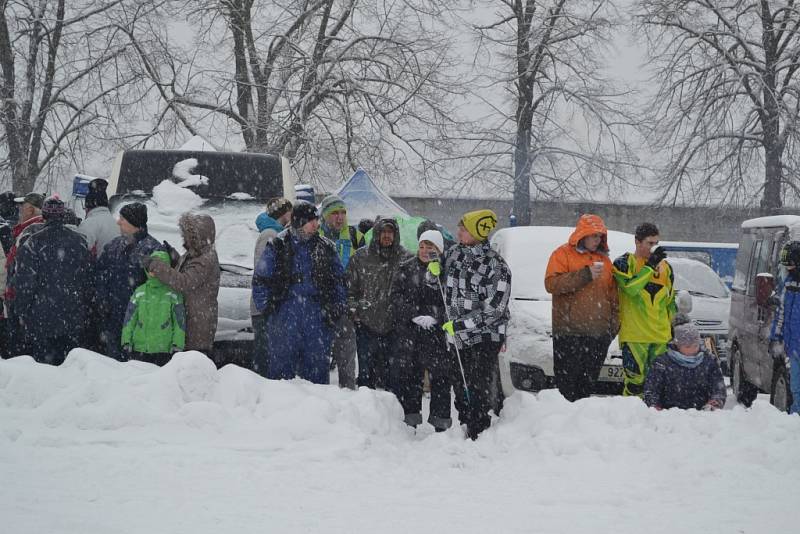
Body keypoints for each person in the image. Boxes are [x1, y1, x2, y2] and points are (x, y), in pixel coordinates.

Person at [252, 201, 346, 384]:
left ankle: (317, 410)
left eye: (316, 220)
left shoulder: (325, 247)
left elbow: (339, 281)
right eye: (311, 221)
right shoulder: (278, 245)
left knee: (316, 374)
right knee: (281, 376)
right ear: (299, 222)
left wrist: (336, 308)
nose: (315, 225)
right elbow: (260, 279)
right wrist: (268, 309)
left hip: (317, 316)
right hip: (284, 315)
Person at [442, 209, 511, 440]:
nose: (458, 231)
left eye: (463, 228)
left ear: (476, 232)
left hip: (485, 335)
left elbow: (494, 311)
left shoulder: (497, 266)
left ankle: (479, 430)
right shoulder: (453, 254)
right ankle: (464, 424)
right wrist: (433, 275)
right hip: (457, 335)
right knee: (460, 383)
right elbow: (440, 286)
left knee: (478, 383)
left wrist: (461, 325)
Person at [544, 214, 619, 401]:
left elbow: (614, 297)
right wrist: (585, 275)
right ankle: (563, 424)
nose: (598, 240)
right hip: (569, 333)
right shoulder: (562, 254)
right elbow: (551, 284)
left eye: (601, 236)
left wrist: (612, 329)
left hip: (598, 335)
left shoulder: (606, 262)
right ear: (583, 234)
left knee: (587, 387)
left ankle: (581, 425)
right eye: (594, 236)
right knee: (566, 386)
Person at [13, 197, 90, 365]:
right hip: (71, 316)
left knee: (42, 370)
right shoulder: (80, 243)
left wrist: (21, 311)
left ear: (44, 216)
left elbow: (25, 283)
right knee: (68, 367)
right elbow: (87, 281)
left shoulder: (33, 243)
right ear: (63, 216)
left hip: (41, 318)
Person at [390, 230, 453, 431]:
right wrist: (413, 314)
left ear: (440, 250)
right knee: (410, 377)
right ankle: (410, 420)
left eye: (431, 247)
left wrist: (437, 317)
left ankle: (440, 422)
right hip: (411, 333)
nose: (425, 251)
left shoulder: (446, 271)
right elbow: (395, 298)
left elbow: (452, 301)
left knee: (441, 379)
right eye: (422, 246)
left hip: (437, 335)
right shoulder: (406, 268)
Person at [612, 222, 676, 397]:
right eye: (650, 243)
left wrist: (673, 326)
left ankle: (655, 419)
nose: (653, 248)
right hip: (635, 336)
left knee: (658, 383)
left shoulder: (667, 268)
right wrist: (649, 267)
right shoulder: (624, 262)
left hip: (660, 336)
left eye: (656, 243)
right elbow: (631, 289)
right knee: (635, 383)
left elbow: (670, 301)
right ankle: (632, 418)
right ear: (637, 242)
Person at [145, 213, 221, 359]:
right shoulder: (197, 254)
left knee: (193, 366)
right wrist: (175, 258)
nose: (183, 238)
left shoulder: (205, 259)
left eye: (187, 235)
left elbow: (184, 282)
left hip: (198, 324)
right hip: (193, 318)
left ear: (197, 237)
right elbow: (188, 271)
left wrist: (155, 265)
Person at [348, 217, 409, 389]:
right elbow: (349, 289)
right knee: (366, 376)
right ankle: (366, 413)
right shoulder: (360, 257)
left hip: (395, 326)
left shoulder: (405, 258)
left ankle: (392, 413)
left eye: (390, 232)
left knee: (394, 376)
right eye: (383, 232)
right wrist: (355, 311)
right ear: (376, 233)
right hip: (366, 324)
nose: (387, 236)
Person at [95, 202, 161, 360]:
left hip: (138, 322)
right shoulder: (114, 245)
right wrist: (102, 298)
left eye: (122, 219)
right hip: (112, 318)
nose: (118, 222)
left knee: (132, 368)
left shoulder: (152, 249)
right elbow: (99, 273)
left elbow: (155, 288)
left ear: (134, 223)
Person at [319, 194, 365, 389]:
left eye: (343, 213)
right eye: (334, 213)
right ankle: (317, 396)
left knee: (347, 354)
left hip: (346, 304)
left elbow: (366, 271)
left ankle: (348, 395)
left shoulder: (355, 236)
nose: (339, 217)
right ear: (325, 216)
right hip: (320, 304)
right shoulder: (315, 234)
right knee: (320, 357)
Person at [122, 250, 186, 366]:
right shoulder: (140, 292)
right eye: (151, 268)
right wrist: (126, 340)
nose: (154, 272)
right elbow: (129, 319)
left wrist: (177, 344)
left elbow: (179, 322)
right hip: (140, 347)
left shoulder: (173, 294)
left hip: (163, 349)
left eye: (158, 268)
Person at [251, 197, 292, 376]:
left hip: (269, 307)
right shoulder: (270, 234)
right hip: (265, 309)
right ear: (283, 213)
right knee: (266, 358)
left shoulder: (278, 233)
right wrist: (269, 303)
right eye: (290, 210)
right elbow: (263, 274)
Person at [643, 322, 726, 411]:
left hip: (702, 415)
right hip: (668, 415)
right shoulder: (662, 363)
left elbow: (718, 388)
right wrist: (654, 406)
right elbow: (651, 390)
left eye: (695, 345)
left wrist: (714, 403)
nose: (692, 349)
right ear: (677, 345)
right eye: (687, 346)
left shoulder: (709, 361)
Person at [4, 192, 44, 356]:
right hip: (30, 297)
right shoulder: (33, 228)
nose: (19, 210)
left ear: (30, 209)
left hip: (20, 297)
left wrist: (11, 293)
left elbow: (16, 266)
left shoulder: (30, 231)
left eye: (22, 207)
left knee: (18, 348)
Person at [769, 240, 800, 414]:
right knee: (796, 388)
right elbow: (780, 315)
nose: (787, 270)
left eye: (790, 266)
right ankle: (795, 420)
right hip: (793, 348)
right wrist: (776, 338)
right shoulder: (788, 286)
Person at [77, 178, 119, 258]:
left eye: (85, 207)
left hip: (99, 268)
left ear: (89, 206)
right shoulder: (116, 223)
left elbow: (79, 252)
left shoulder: (89, 224)